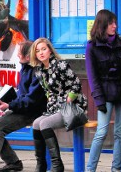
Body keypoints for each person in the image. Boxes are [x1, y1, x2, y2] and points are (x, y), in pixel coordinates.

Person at [0, 40, 48, 172]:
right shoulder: (25, 68)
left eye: (19, 53)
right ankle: (13, 162)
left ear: (28, 56)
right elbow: (23, 94)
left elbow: (31, 100)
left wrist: (10, 105)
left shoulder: (36, 72)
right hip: (24, 108)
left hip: (33, 111)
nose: (17, 55)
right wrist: (8, 99)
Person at [85, 9, 121, 172]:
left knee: (120, 132)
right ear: (103, 25)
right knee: (102, 131)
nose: (115, 26)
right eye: (111, 23)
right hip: (105, 94)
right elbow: (92, 77)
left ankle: (116, 169)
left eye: (115, 23)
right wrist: (99, 100)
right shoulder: (92, 46)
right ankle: (90, 169)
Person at [30, 38, 88, 172]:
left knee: (44, 124)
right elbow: (48, 93)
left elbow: (76, 84)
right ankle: (41, 164)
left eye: (44, 49)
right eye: (38, 51)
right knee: (36, 124)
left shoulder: (60, 65)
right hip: (55, 107)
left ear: (50, 50)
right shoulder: (39, 71)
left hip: (73, 107)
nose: (41, 53)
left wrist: (68, 99)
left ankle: (57, 165)